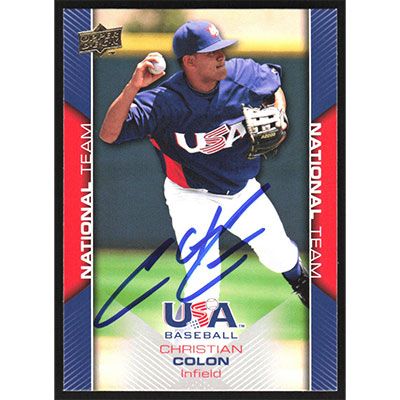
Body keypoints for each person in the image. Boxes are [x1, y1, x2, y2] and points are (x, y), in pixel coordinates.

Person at [99, 20, 309, 307]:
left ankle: (299, 280)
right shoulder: (164, 102)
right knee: (202, 282)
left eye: (221, 49)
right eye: (211, 53)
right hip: (190, 196)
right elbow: (109, 134)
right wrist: (132, 87)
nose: (221, 56)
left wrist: (280, 113)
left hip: (242, 189)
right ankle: (202, 333)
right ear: (190, 61)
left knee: (280, 255)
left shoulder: (242, 76)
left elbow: (274, 88)